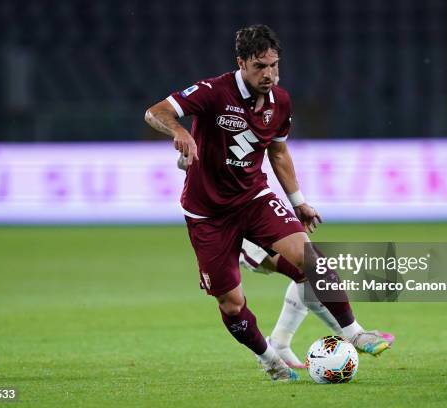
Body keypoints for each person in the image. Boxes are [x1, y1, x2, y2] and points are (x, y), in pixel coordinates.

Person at [145, 24, 391, 381]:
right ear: (241, 62)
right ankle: (269, 358)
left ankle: (354, 332)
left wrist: (299, 201)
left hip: (255, 199)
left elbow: (278, 152)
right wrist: (181, 130)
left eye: (274, 65)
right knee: (231, 304)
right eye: (260, 66)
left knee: (311, 260)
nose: (269, 74)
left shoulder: (281, 102)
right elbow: (155, 112)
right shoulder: (213, 92)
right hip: (207, 214)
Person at [178, 154, 395, 369]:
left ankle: (291, 342)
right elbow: (188, 158)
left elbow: (276, 151)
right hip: (228, 226)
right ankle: (344, 335)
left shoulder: (264, 124)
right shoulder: (212, 126)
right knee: (299, 274)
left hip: (252, 209)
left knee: (307, 271)